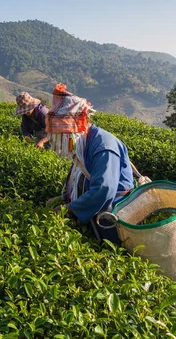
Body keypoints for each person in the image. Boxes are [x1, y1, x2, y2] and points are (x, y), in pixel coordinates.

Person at [46, 84, 134, 244]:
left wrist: (70, 209)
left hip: (113, 219)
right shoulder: (84, 143)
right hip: (95, 213)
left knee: (111, 250)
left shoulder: (103, 146)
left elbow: (103, 190)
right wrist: (64, 197)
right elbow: (79, 177)